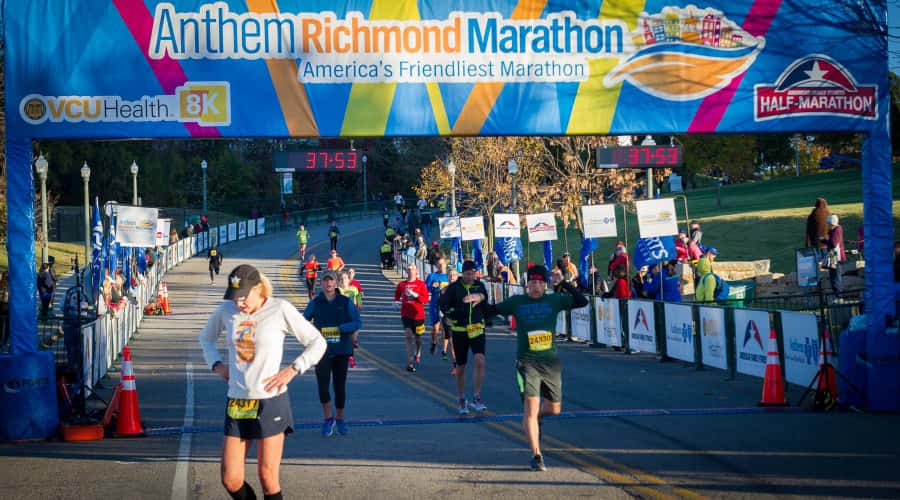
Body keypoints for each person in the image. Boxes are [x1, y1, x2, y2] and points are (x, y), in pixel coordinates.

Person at [199, 264, 327, 500]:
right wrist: (216, 365)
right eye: (235, 297)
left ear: (258, 289)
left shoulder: (279, 309)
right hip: (238, 401)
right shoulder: (227, 311)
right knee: (230, 478)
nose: (239, 303)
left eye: (244, 296)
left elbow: (318, 342)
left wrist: (293, 369)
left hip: (270, 401)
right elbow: (205, 338)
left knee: (268, 478)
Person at [481, 265, 588, 471]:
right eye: (533, 283)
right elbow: (491, 311)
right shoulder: (517, 302)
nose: (536, 286)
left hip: (550, 362)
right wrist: (480, 299)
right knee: (530, 409)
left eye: (540, 283)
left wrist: (564, 283)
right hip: (526, 363)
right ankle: (537, 455)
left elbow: (581, 301)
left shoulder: (554, 300)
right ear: (526, 284)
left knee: (554, 409)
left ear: (545, 285)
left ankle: (536, 418)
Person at [304, 270, 362, 437]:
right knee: (323, 386)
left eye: (331, 281)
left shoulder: (345, 302)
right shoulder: (316, 302)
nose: (328, 284)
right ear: (321, 283)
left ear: (336, 283)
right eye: (325, 281)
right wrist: (312, 334)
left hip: (341, 350)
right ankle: (328, 418)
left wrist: (340, 329)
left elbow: (357, 322)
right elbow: (303, 321)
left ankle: (340, 418)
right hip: (321, 351)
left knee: (339, 387)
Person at [439, 260, 491, 414]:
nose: (471, 276)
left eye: (473, 273)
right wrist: (448, 316)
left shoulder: (479, 285)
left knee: (480, 360)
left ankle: (477, 397)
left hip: (477, 328)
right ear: (463, 273)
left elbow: (486, 299)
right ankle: (462, 398)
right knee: (461, 366)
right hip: (460, 330)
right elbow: (443, 304)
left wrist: (481, 296)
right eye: (468, 274)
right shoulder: (454, 288)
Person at [393, 263, 429, 372]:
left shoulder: (421, 284)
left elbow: (425, 299)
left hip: (418, 315)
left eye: (412, 269)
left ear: (416, 271)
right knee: (408, 336)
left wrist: (415, 295)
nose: (410, 271)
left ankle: (418, 352)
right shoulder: (402, 284)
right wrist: (395, 302)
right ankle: (410, 361)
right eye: (408, 269)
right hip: (406, 314)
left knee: (417, 337)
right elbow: (397, 295)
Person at [425, 258, 450, 357]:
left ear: (446, 264)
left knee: (445, 328)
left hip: (446, 306)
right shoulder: (432, 276)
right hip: (435, 304)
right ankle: (434, 342)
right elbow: (425, 289)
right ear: (436, 265)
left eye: (442, 264)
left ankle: (444, 349)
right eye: (438, 264)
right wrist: (432, 286)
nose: (440, 266)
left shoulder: (449, 276)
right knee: (435, 328)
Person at [821, 214, 845, 293]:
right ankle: (837, 295)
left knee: (835, 278)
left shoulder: (836, 230)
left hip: (835, 256)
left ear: (831, 224)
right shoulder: (835, 230)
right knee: (833, 277)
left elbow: (833, 243)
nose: (827, 225)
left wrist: (824, 240)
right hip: (833, 255)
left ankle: (839, 296)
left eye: (828, 223)